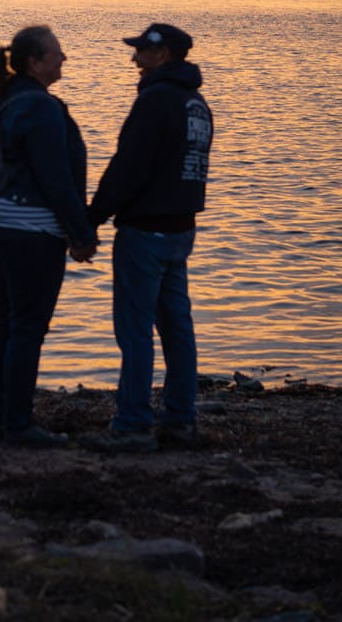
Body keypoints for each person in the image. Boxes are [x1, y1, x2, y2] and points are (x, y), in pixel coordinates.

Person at [0, 24, 96, 448]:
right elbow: (55, 178)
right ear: (35, 62)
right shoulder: (41, 107)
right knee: (27, 327)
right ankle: (18, 425)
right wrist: (81, 234)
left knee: (3, 320)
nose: (64, 58)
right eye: (57, 53)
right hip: (26, 228)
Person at [84, 23, 213, 453]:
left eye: (141, 51)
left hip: (145, 230)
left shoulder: (156, 100)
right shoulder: (197, 104)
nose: (133, 58)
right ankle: (180, 420)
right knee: (177, 328)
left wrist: (92, 218)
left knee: (135, 330)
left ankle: (134, 425)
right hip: (181, 229)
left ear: (163, 54)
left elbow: (129, 165)